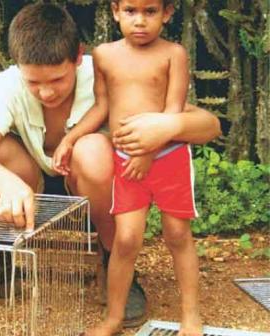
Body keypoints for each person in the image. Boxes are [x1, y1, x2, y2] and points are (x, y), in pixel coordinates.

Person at [0, 2, 220, 329]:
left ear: (78, 57)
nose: (46, 92)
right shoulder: (9, 84)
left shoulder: (109, 69)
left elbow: (209, 125)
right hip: (29, 187)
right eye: (34, 82)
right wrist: (8, 184)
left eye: (58, 79)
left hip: (92, 189)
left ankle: (111, 262)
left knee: (93, 149)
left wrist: (168, 127)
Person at [53, 1, 203, 335]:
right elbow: (103, 106)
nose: (140, 21)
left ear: (167, 13)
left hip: (169, 156)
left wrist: (150, 149)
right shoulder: (104, 55)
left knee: (177, 235)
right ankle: (113, 318)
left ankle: (191, 317)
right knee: (126, 239)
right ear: (116, 11)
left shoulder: (173, 54)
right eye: (131, 11)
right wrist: (71, 137)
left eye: (150, 12)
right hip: (125, 160)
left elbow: (173, 112)